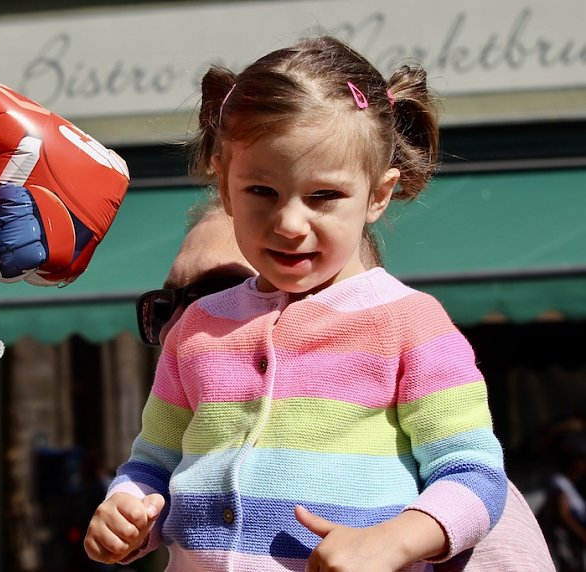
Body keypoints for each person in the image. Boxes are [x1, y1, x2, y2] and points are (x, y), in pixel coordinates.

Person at [85, 35, 509, 570]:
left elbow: (473, 474)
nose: (289, 223)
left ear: (378, 195)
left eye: (323, 196)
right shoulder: (197, 327)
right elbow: (154, 464)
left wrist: (396, 540)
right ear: (223, 185)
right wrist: (124, 511)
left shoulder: (410, 323)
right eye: (261, 191)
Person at [137, 199, 555, 571]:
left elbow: (475, 474)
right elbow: (148, 464)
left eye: (219, 292)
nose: (180, 327)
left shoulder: (458, 514)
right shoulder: (185, 476)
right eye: (164, 307)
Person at [539, 431, 586, 571]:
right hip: (564, 545)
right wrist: (583, 536)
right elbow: (563, 514)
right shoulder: (560, 484)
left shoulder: (571, 486)